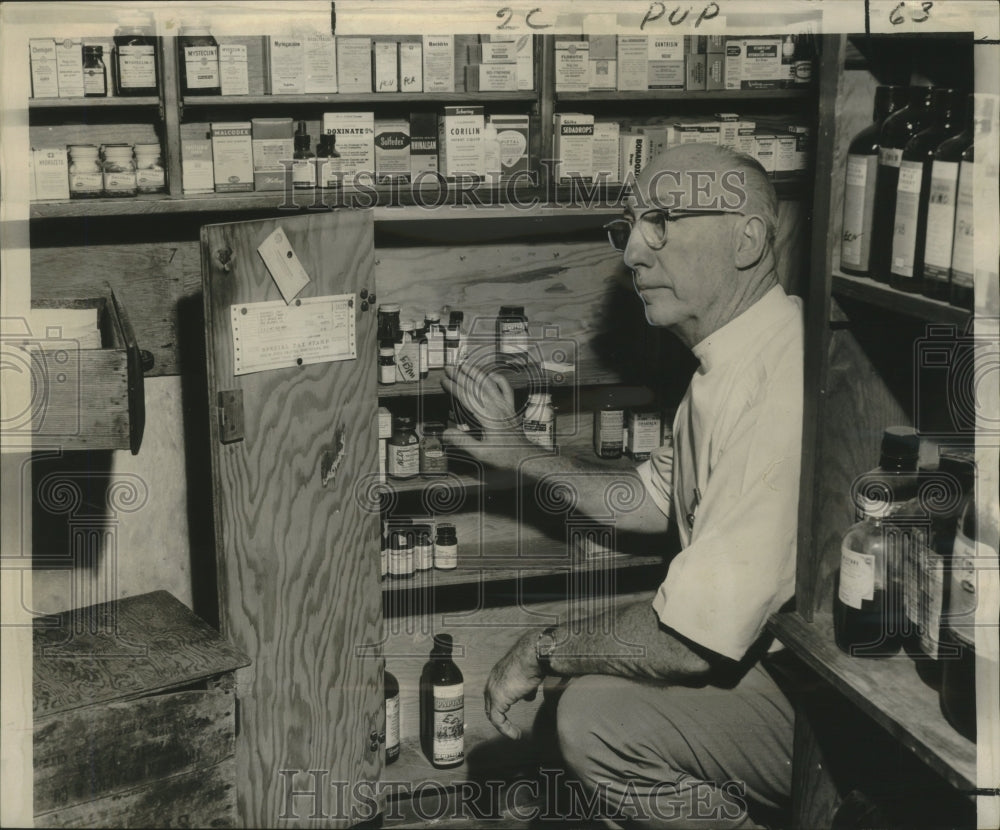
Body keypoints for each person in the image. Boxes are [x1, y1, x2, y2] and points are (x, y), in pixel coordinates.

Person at [441, 142, 804, 828]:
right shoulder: (725, 364)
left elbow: (689, 640)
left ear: (748, 238)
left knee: (592, 716)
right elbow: (645, 498)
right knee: (593, 696)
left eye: (663, 220)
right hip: (765, 668)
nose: (634, 251)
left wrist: (542, 646)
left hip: (823, 708)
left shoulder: (779, 383)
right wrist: (518, 452)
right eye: (630, 225)